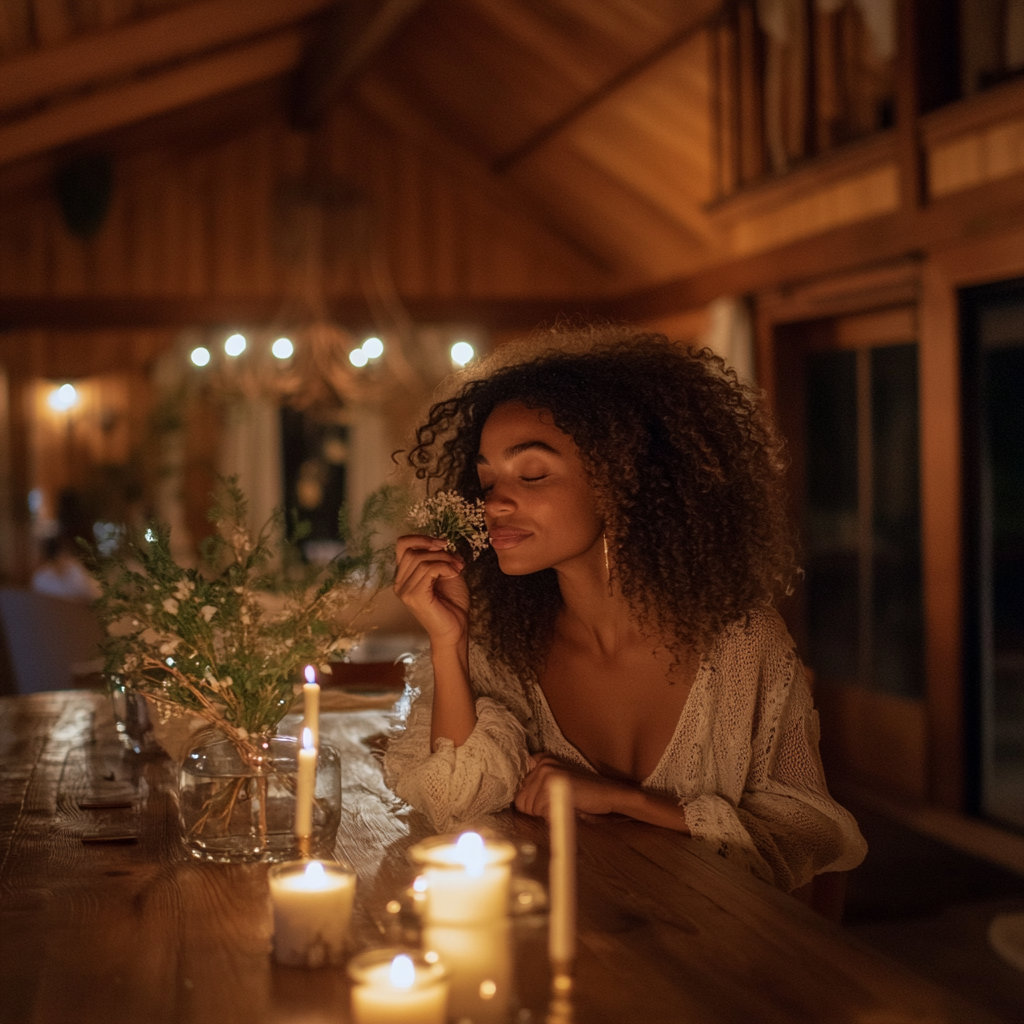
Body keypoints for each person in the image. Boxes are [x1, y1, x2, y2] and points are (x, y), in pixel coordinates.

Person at [385, 327, 866, 892]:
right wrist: (449, 642)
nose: (494, 503)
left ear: (622, 481)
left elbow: (809, 830)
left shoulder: (742, 644)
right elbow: (453, 803)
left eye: (532, 473)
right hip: (563, 935)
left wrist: (627, 801)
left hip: (714, 954)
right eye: (487, 480)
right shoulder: (501, 644)